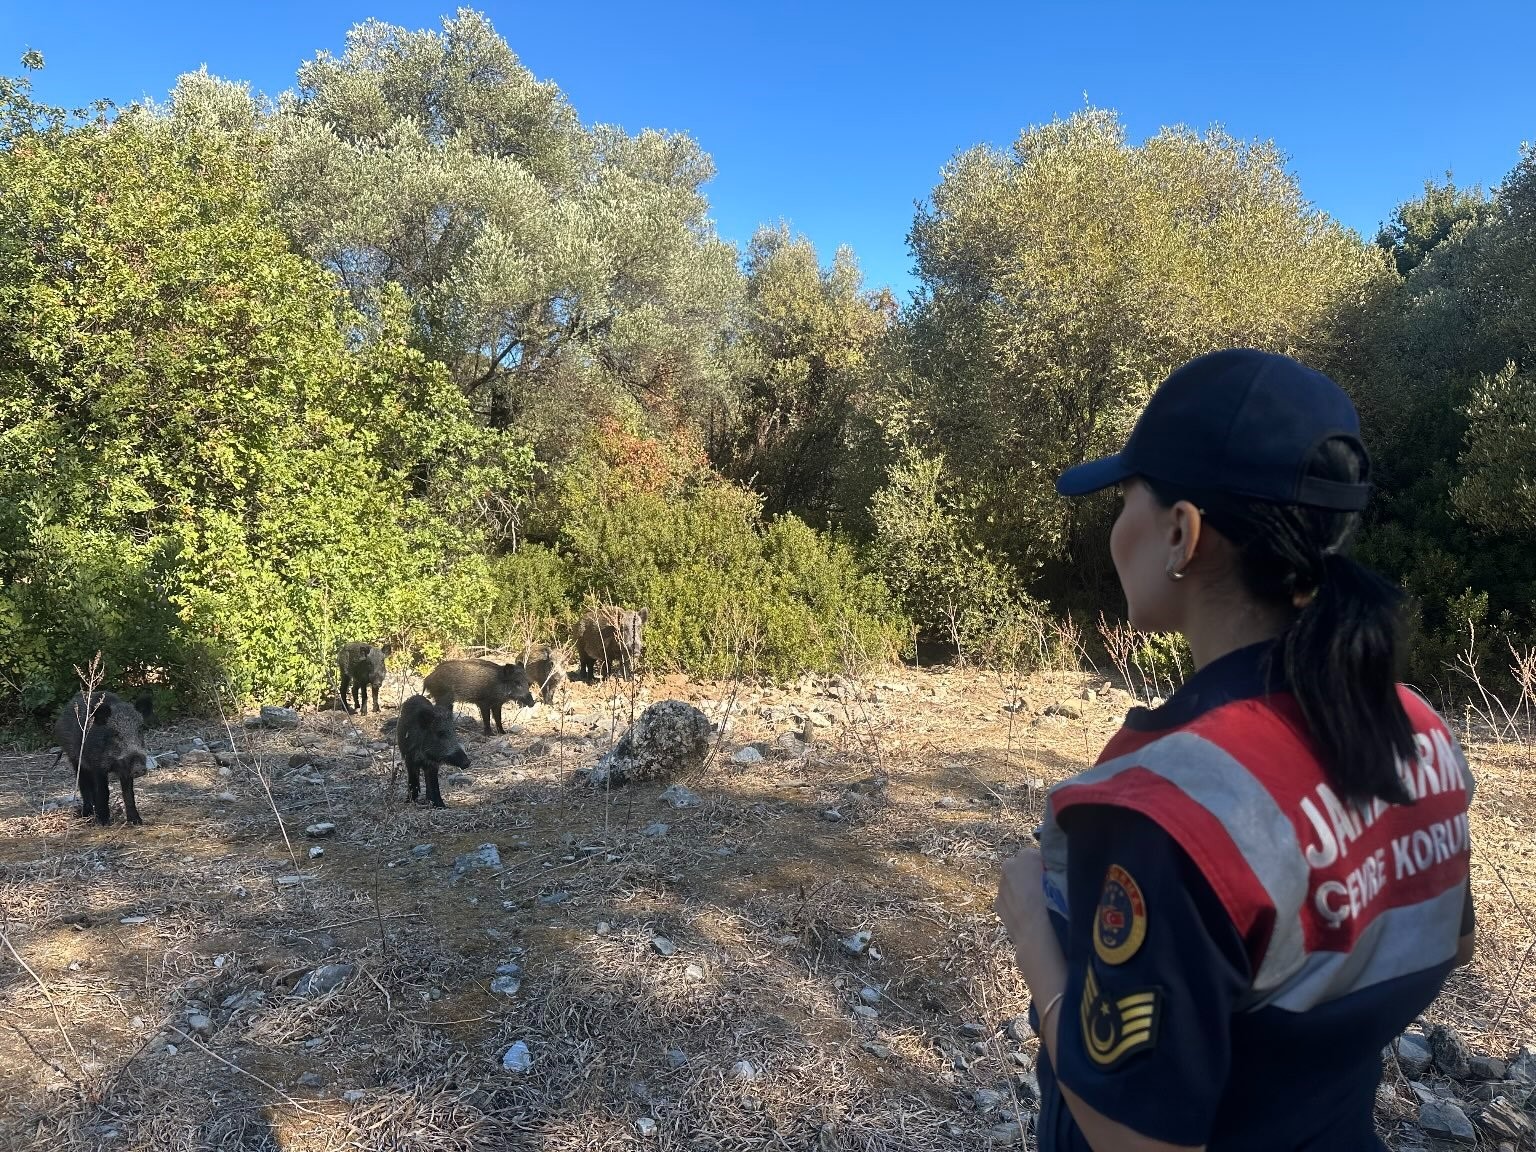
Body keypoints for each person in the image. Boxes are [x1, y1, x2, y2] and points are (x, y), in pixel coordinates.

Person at [994, 348, 1476, 1152]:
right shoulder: (1416, 728)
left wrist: (1034, 945)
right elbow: (1449, 942)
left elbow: (1133, 1140)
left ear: (1181, 533)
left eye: (1125, 499)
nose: (1116, 529)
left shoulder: (1173, 806)